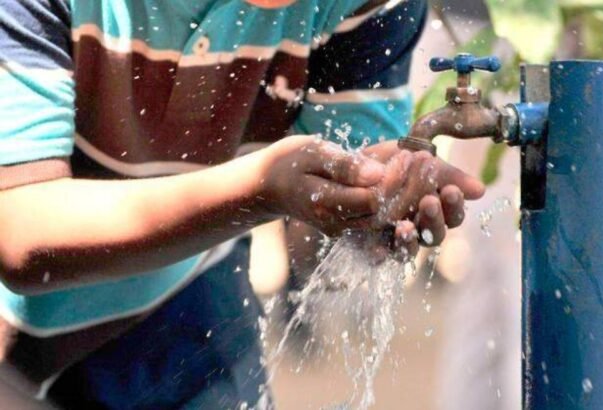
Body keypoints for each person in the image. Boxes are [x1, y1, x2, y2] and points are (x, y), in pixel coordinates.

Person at [0, 0, 484, 408]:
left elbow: (353, 162)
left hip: (185, 294)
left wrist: (379, 200)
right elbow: (22, 227)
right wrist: (257, 191)